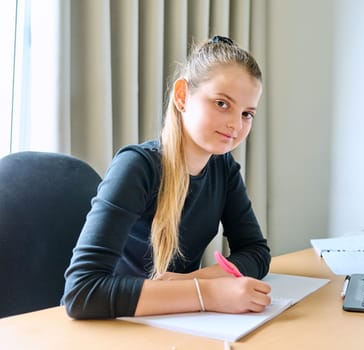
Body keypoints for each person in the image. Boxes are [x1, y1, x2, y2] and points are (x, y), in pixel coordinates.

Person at [63, 36, 272, 319]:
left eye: (247, 114)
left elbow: (256, 252)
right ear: (183, 95)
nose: (236, 124)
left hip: (174, 321)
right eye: (222, 104)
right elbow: (82, 292)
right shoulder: (136, 167)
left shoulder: (224, 169)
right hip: (115, 324)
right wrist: (207, 293)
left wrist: (193, 282)